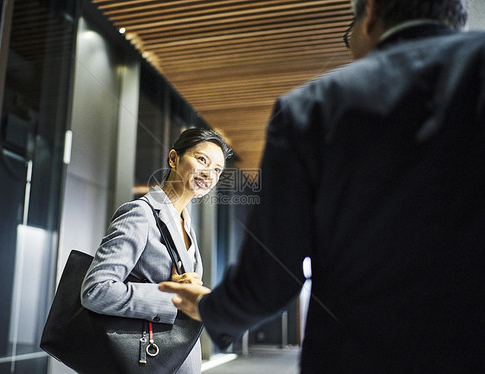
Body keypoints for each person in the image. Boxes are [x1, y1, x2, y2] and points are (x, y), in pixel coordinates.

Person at [159, 0, 485, 372]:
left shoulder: (311, 108)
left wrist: (207, 307)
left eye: (217, 167)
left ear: (372, 12)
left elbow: (272, 276)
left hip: (357, 356)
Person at [81, 127, 232, 374]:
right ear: (174, 159)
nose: (209, 173)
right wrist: (173, 299)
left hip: (177, 356)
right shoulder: (141, 213)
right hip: (148, 356)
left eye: (217, 169)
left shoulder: (185, 221)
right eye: (201, 159)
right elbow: (96, 290)